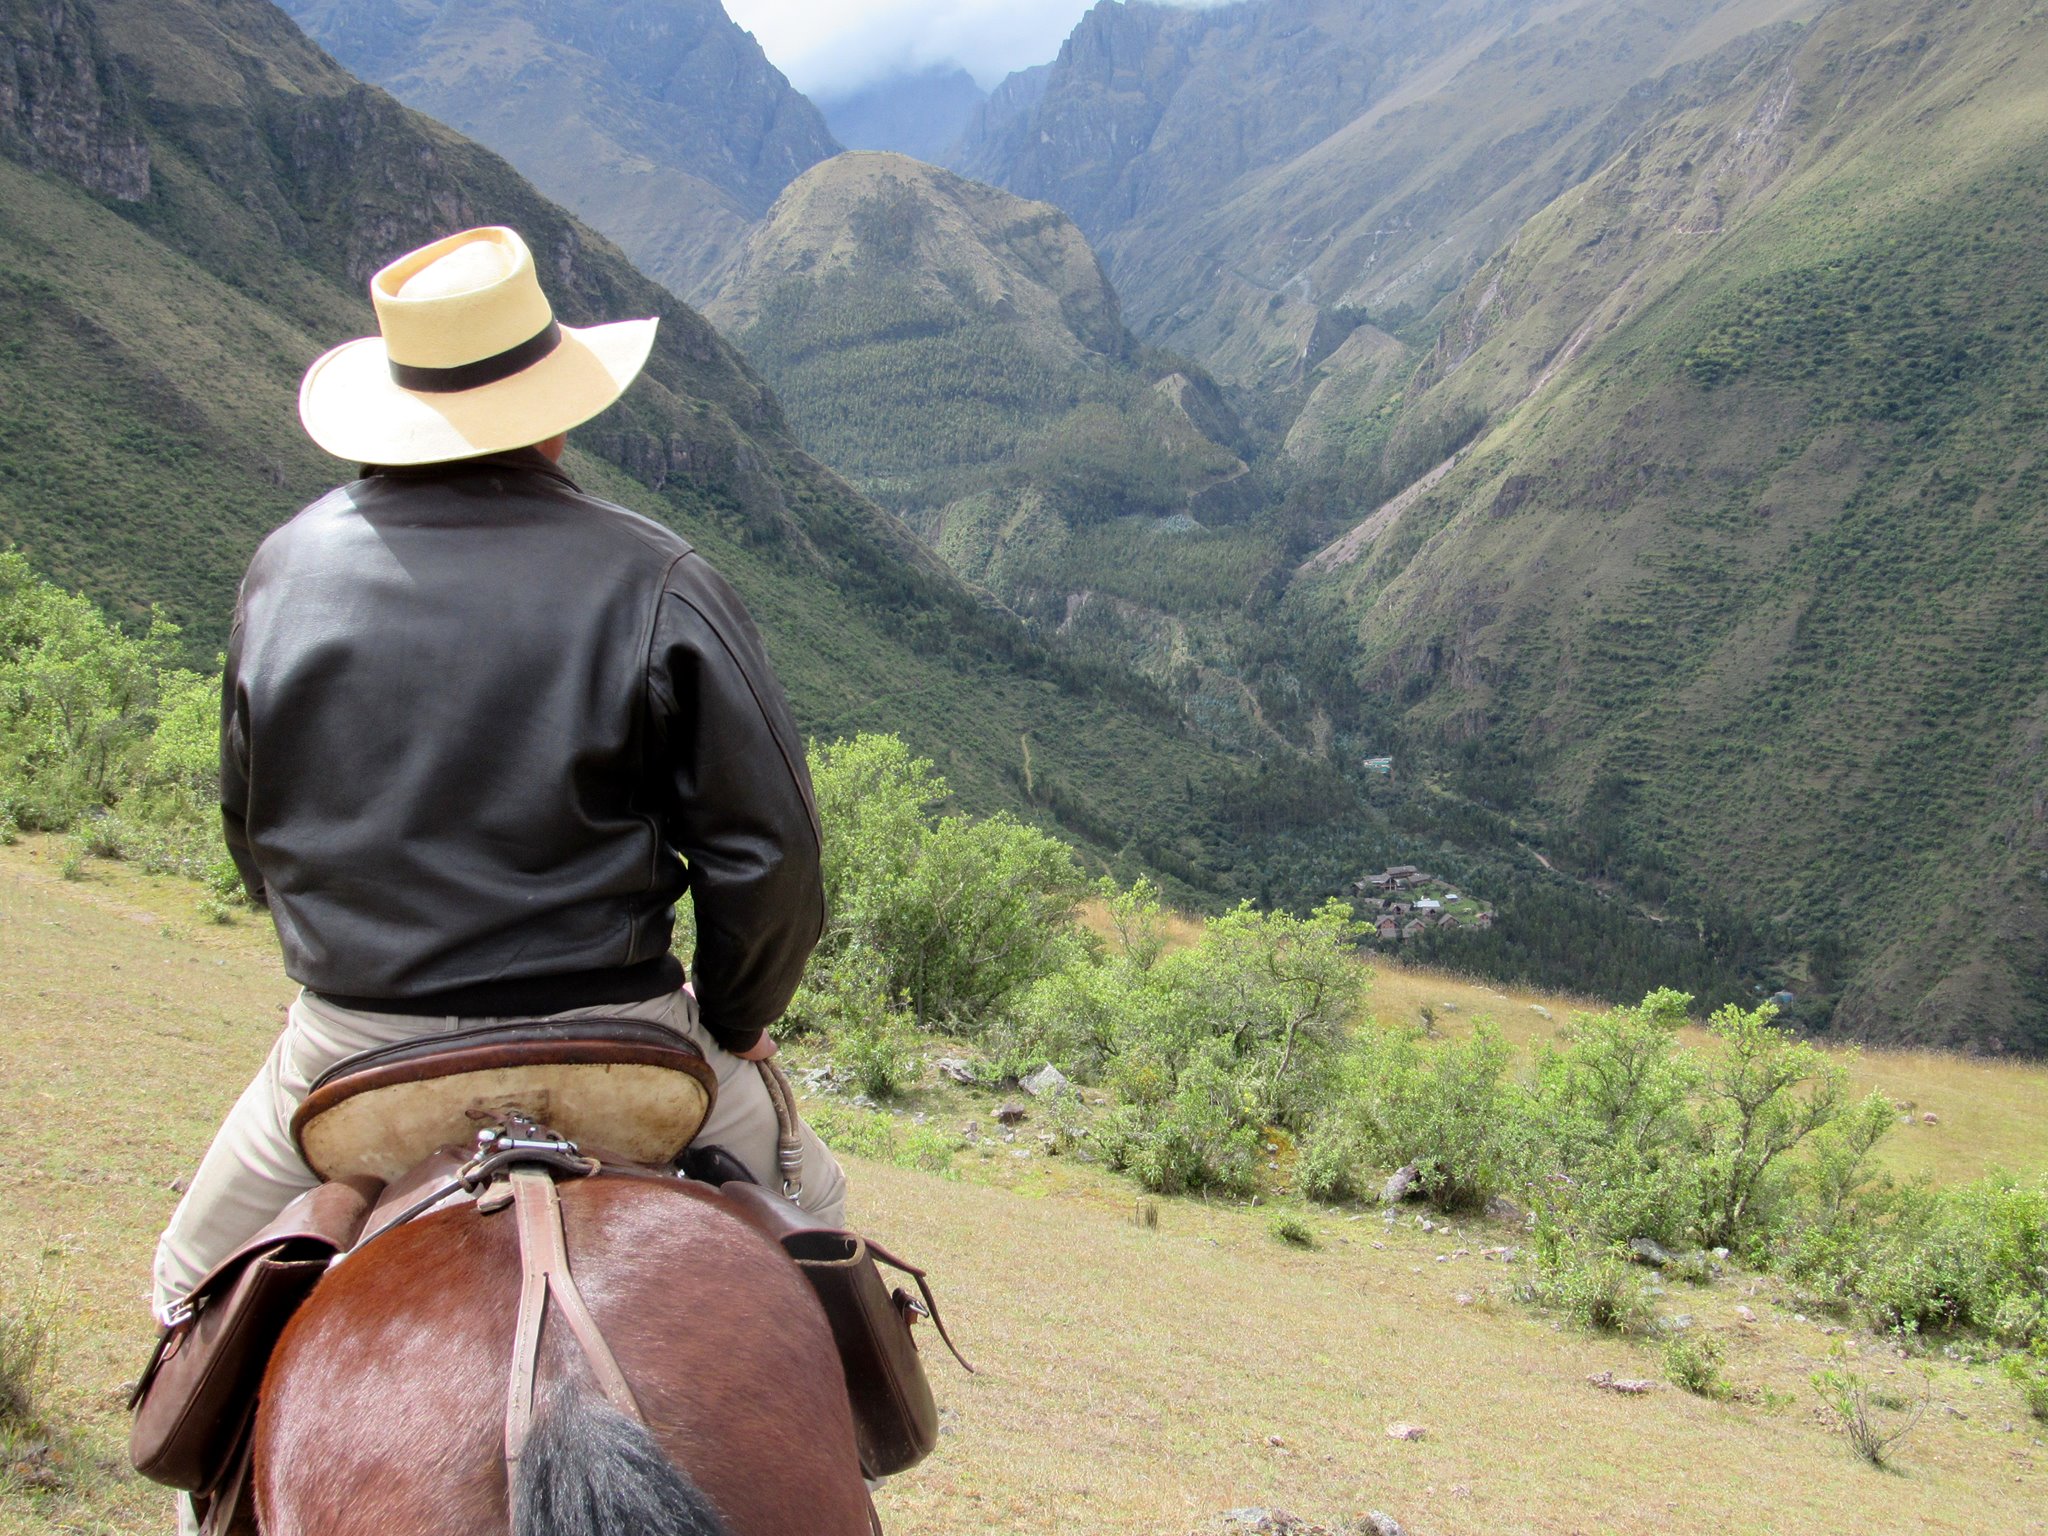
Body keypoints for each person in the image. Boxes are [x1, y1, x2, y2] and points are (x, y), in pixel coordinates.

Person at [151, 225, 846, 1325]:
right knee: (827, 1269)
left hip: (360, 1043)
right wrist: (739, 1010)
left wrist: (352, 950)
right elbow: (769, 852)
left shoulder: (285, 570)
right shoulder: (657, 576)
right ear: (553, 409)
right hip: (615, 1037)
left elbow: (251, 821)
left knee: (190, 1298)